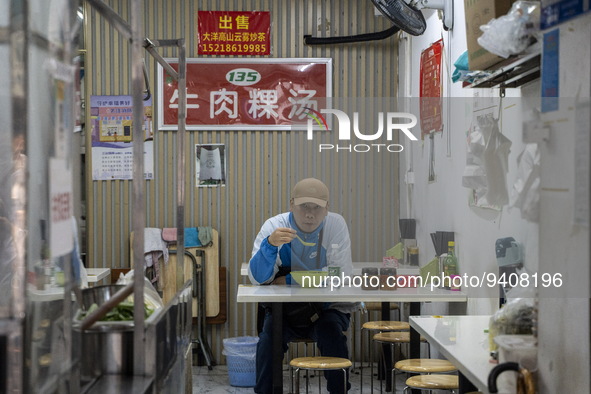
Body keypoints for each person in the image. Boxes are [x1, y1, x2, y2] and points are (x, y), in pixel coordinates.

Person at [248, 177, 358, 394]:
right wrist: (269, 245)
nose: (309, 214)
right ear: (291, 205)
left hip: (327, 308)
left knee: (332, 336)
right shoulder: (275, 227)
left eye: (317, 207)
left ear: (327, 209)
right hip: (285, 311)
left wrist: (289, 280)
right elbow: (257, 279)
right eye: (303, 207)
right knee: (268, 341)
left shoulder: (335, 225)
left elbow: (340, 275)